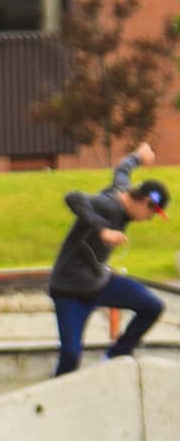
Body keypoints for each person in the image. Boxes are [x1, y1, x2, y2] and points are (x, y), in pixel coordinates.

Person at [48, 143, 169, 377]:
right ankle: (55, 399)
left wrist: (137, 156)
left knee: (152, 306)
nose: (149, 219)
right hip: (69, 290)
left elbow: (122, 170)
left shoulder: (123, 189)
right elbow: (73, 198)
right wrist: (102, 230)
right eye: (152, 213)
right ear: (145, 202)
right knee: (71, 357)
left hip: (99, 283)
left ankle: (113, 357)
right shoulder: (107, 205)